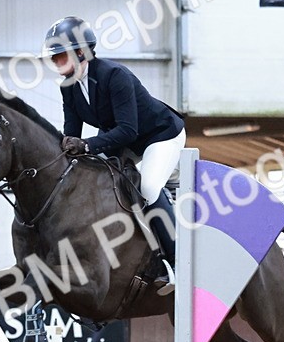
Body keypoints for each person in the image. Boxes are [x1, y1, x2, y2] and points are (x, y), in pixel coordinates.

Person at [42, 16, 185, 267]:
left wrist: (86, 146)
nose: (55, 61)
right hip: (120, 137)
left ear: (80, 52)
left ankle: (176, 260)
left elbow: (128, 131)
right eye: (53, 57)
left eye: (60, 55)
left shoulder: (114, 75)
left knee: (148, 188)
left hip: (159, 134)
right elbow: (71, 133)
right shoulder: (68, 86)